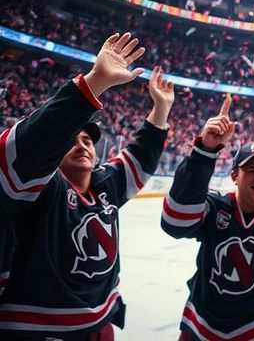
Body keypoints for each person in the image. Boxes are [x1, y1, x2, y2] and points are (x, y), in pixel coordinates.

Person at [0, 33, 173, 340]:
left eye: (88, 140)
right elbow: (29, 148)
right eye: (73, 138)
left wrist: (160, 109)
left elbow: (141, 156)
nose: (82, 145)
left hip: (99, 326)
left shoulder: (106, 184)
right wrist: (95, 82)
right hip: (36, 331)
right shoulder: (37, 189)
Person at [161, 95, 254, 341]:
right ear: (234, 176)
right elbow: (175, 222)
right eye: (251, 170)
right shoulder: (215, 207)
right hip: (203, 327)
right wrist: (204, 150)